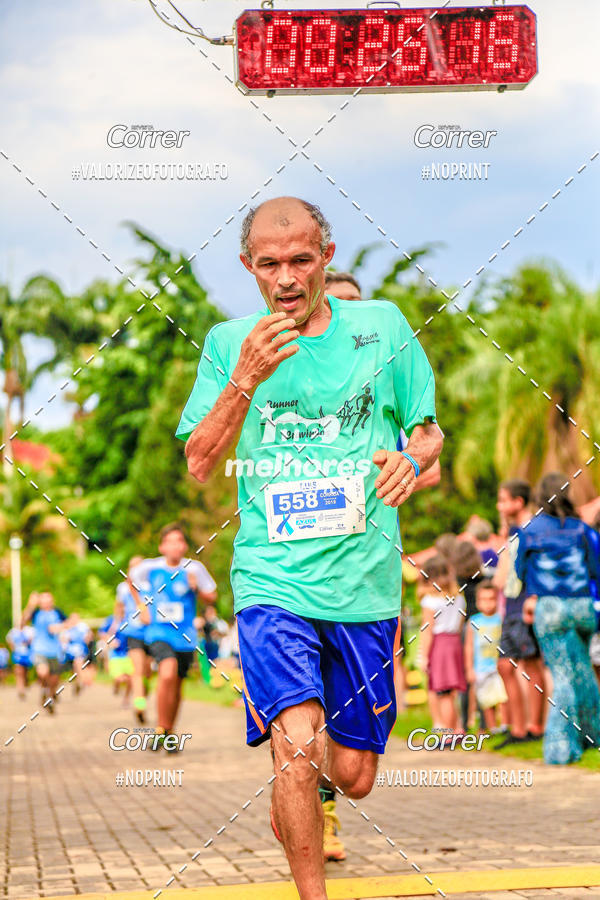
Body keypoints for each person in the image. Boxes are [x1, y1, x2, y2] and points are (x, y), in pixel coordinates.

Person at [177, 196, 443, 893]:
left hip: (363, 584)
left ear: (326, 256)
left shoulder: (382, 327)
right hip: (273, 579)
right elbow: (200, 460)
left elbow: (429, 431)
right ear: (248, 266)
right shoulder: (228, 343)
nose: (287, 278)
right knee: (296, 748)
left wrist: (411, 458)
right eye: (270, 264)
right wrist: (245, 380)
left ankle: (299, 790)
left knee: (353, 776)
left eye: (301, 260)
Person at [517, 473, 600, 765]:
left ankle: (560, 747)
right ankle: (592, 736)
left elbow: (520, 571)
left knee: (562, 675)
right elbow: (595, 569)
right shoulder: (582, 529)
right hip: (582, 606)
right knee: (583, 671)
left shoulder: (530, 530)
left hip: (551, 607)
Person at [130, 524, 217, 749]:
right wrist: (141, 606)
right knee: (167, 673)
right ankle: (161, 728)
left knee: (177, 685)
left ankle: (168, 730)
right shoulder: (150, 567)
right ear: (162, 547)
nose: (174, 546)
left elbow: (212, 596)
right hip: (159, 631)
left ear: (184, 546)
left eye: (179, 541)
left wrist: (197, 588)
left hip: (185, 636)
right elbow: (130, 579)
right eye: (169, 541)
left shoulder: (194, 568)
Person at [494, 479, 545, 746]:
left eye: (504, 500)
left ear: (519, 502)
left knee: (530, 664)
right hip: (511, 604)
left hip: (525, 604)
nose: (499, 506)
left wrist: (534, 600)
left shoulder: (532, 528)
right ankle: (517, 728)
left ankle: (534, 728)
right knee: (505, 665)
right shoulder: (513, 531)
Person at [419, 555, 466, 735]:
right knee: (452, 691)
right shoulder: (459, 598)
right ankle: (458, 728)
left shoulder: (429, 601)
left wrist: (424, 656)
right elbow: (460, 625)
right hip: (454, 643)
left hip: (439, 646)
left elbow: (427, 630)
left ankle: (448, 733)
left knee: (443, 691)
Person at [464, 581, 507, 732]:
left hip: (498, 666)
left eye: (491, 599)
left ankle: (505, 725)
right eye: (483, 599)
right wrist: (469, 669)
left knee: (502, 697)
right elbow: (469, 646)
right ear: (477, 601)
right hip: (481, 667)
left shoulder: (501, 618)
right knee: (486, 700)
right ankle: (492, 728)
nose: (488, 603)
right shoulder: (474, 621)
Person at [22, 592, 70, 713]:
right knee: (43, 673)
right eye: (43, 601)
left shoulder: (57, 612)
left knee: (54, 679)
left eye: (48, 601)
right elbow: (22, 622)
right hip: (39, 649)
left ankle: (48, 696)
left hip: (55, 650)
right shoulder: (36, 612)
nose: (46, 603)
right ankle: (46, 693)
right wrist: (30, 605)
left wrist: (60, 627)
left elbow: (68, 623)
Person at [118, 556, 152, 723]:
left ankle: (142, 696)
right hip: (134, 632)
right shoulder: (123, 588)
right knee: (137, 670)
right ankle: (140, 706)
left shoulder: (152, 584)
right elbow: (119, 608)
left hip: (152, 632)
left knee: (147, 671)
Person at [100, 599, 134, 706]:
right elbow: (102, 634)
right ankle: (116, 685)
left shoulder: (130, 620)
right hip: (115, 653)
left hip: (128, 652)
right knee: (119, 678)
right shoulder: (111, 620)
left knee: (130, 678)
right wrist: (111, 641)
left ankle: (126, 699)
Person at [61, 613, 93, 694]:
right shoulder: (67, 628)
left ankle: (81, 682)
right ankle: (78, 682)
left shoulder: (82, 627)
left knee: (78, 663)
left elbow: (89, 637)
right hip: (68, 653)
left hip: (80, 651)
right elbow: (63, 640)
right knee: (74, 669)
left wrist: (87, 639)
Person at [6, 624, 34, 698]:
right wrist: (13, 649)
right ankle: (20, 689)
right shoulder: (13, 631)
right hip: (17, 654)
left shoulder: (29, 630)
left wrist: (28, 642)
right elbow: (8, 639)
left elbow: (33, 639)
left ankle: (25, 682)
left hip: (27, 654)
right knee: (19, 671)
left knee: (25, 672)